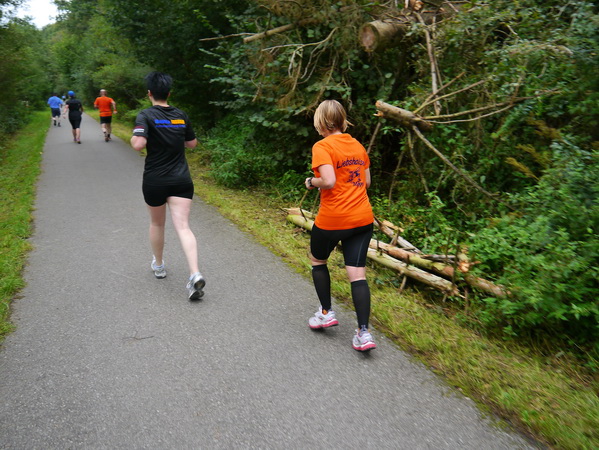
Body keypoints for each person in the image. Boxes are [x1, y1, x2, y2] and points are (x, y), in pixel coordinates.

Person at [304, 99, 376, 351]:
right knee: (357, 274)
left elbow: (329, 181)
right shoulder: (357, 145)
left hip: (334, 218)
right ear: (342, 120)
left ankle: (326, 313)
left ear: (321, 122)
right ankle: (364, 333)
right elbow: (366, 182)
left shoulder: (322, 146)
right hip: (362, 218)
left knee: (317, 260)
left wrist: (311, 182)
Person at [130, 72, 205, 300]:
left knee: (157, 223)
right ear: (169, 93)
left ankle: (159, 265)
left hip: (155, 180)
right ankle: (194, 273)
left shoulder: (145, 115)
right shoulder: (181, 115)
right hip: (181, 180)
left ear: (149, 93)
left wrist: (137, 137)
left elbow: (138, 144)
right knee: (183, 226)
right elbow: (192, 144)